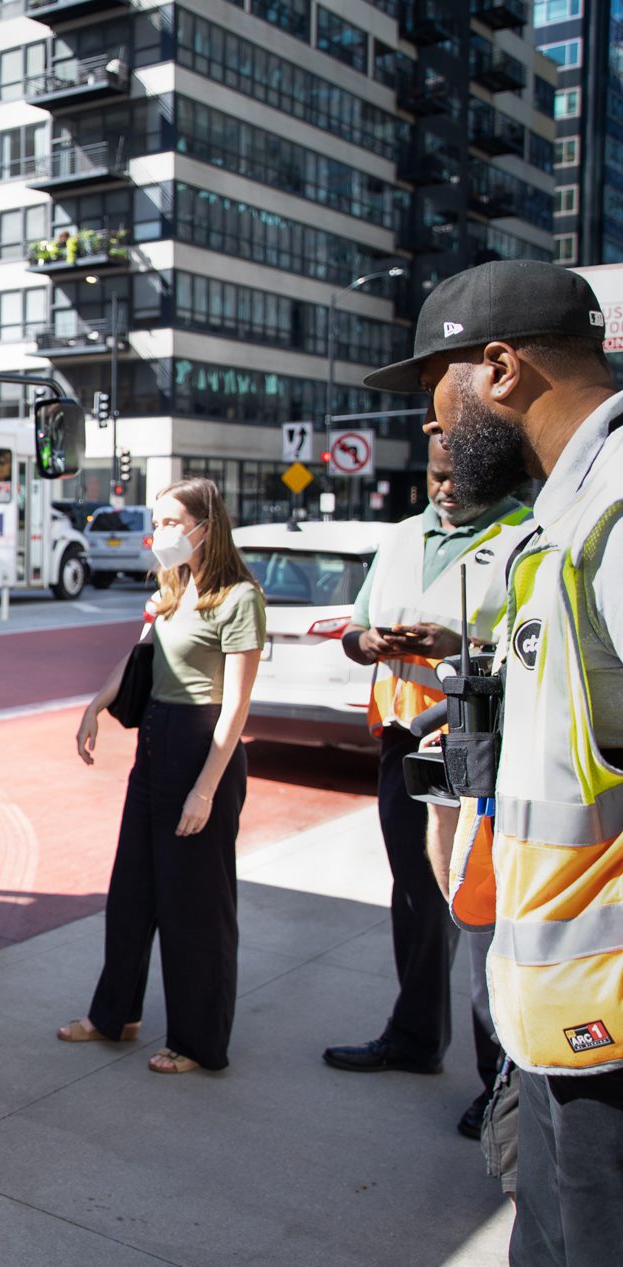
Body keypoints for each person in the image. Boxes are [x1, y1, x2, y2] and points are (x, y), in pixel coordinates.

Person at [364, 258, 622, 1266]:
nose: (430, 421)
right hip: (558, 1023)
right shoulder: (559, 519)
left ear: (500, 369)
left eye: (436, 384)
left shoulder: (608, 511)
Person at [324, 434, 528, 1141]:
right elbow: (352, 631)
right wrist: (371, 643)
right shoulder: (404, 537)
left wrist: (455, 646)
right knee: (415, 896)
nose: (442, 489)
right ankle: (413, 1036)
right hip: (405, 735)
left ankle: (499, 1077)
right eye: (435, 477)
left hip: (479, 744)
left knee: (476, 909)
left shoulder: (522, 535)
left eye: (454, 479)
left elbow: (531, 650)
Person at [64, 478, 264, 1074]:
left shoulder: (239, 598)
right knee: (131, 893)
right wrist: (95, 705)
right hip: (154, 743)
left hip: (202, 749)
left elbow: (236, 706)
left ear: (207, 525)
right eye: (160, 521)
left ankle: (199, 1043)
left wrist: (204, 789)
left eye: (174, 521)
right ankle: (115, 1017)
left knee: (195, 908)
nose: (163, 533)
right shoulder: (172, 587)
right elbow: (139, 659)